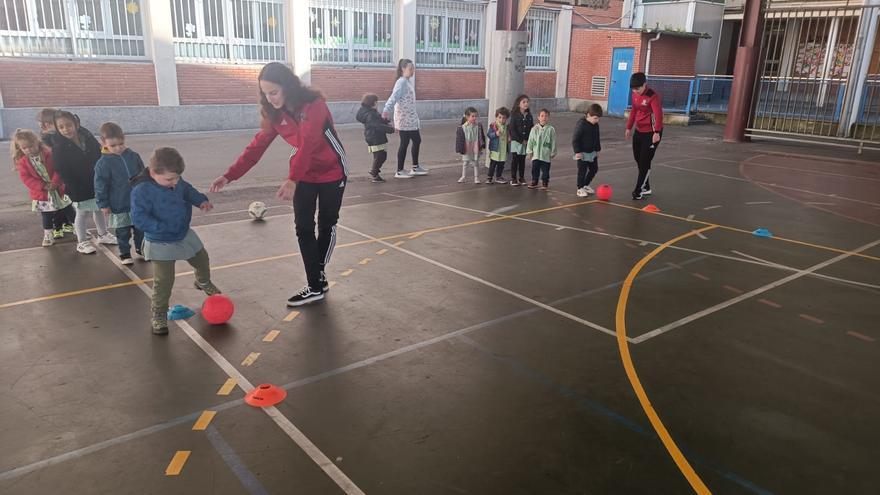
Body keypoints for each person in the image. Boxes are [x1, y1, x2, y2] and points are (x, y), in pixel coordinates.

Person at [211, 62, 348, 307]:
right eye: (265, 93)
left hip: (332, 171)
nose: (270, 98)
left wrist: (292, 179)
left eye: (273, 92)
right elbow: (256, 147)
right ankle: (316, 284)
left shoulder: (314, 105)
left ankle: (317, 276)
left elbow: (308, 144)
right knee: (303, 227)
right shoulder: (274, 114)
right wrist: (230, 175)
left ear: (288, 87)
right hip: (303, 174)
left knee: (327, 224)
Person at [131, 147, 220, 335]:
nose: (174, 182)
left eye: (177, 178)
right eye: (169, 179)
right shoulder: (142, 190)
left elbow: (187, 190)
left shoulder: (175, 180)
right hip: (160, 240)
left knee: (201, 258)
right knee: (164, 280)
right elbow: (139, 219)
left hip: (182, 233)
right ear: (153, 173)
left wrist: (201, 201)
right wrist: (161, 227)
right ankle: (159, 314)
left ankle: (202, 281)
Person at [51, 110, 117, 254]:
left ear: (76, 123)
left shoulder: (87, 136)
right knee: (81, 213)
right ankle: (82, 242)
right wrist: (73, 187)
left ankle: (103, 234)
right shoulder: (59, 147)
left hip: (96, 182)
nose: (65, 129)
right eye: (61, 127)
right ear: (57, 129)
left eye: (68, 125)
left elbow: (99, 153)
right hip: (78, 186)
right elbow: (61, 169)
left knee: (98, 208)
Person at [11, 129, 76, 247]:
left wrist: (55, 182)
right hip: (42, 194)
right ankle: (48, 235)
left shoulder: (49, 154)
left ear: (37, 142)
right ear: (20, 148)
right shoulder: (23, 162)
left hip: (58, 189)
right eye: (24, 148)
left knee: (68, 209)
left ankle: (78, 228)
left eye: (31, 146)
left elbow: (58, 168)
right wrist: (43, 186)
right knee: (46, 215)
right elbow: (27, 179)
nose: (28, 150)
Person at [94, 122, 145, 265]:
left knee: (140, 228)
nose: (118, 148)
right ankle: (125, 254)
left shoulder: (133, 156)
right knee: (123, 232)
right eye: (113, 145)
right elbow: (100, 185)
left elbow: (143, 175)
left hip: (137, 202)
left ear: (124, 138)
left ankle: (141, 249)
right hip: (118, 204)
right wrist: (103, 204)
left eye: (121, 144)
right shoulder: (103, 163)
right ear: (103, 143)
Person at [382, 59, 429, 179]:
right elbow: (394, 97)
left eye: (413, 68)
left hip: (411, 118)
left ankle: (415, 167)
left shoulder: (407, 82)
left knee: (416, 141)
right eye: (410, 69)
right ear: (403, 69)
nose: (412, 71)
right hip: (404, 119)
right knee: (405, 143)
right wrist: (386, 109)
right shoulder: (401, 82)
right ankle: (400, 170)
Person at [37, 107, 74, 238]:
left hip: (60, 174)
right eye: (57, 124)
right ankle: (58, 225)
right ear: (47, 125)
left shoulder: (53, 137)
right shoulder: (47, 139)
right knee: (58, 201)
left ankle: (65, 223)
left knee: (64, 200)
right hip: (55, 175)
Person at [625, 72, 663, 200]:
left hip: (652, 133)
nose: (635, 91)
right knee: (638, 159)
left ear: (644, 85)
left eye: (638, 88)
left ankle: (638, 190)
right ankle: (646, 187)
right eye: (633, 89)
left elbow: (658, 115)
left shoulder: (653, 96)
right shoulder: (635, 95)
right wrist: (629, 127)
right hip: (639, 131)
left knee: (645, 161)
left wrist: (657, 132)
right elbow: (634, 111)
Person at [356, 93, 395, 183]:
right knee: (381, 156)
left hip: (372, 136)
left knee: (378, 155)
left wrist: (385, 120)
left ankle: (375, 171)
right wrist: (391, 129)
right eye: (376, 102)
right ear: (372, 103)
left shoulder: (368, 112)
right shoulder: (371, 114)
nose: (378, 104)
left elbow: (377, 121)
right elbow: (377, 125)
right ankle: (374, 172)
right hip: (375, 137)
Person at [572, 104, 603, 197]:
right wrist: (577, 152)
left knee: (594, 169)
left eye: (598, 119)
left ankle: (585, 184)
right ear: (588, 115)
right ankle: (579, 188)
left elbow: (597, 138)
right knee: (582, 171)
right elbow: (575, 139)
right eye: (595, 118)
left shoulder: (596, 125)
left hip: (592, 152)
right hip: (582, 153)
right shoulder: (581, 124)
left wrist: (597, 150)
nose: (597, 120)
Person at [526, 109, 557, 190]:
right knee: (535, 169)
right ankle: (534, 181)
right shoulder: (534, 129)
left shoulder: (551, 129)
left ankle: (545, 182)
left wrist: (553, 152)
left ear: (548, 118)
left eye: (546, 116)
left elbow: (553, 141)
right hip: (536, 154)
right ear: (538, 117)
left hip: (545, 154)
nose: (544, 118)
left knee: (545, 170)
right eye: (542, 116)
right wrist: (530, 151)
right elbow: (530, 140)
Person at [454, 107, 486, 184]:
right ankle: (463, 176)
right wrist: (459, 148)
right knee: (465, 162)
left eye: (475, 116)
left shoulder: (478, 126)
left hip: (475, 146)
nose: (474, 118)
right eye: (472, 116)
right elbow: (459, 139)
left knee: (475, 162)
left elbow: (481, 136)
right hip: (467, 147)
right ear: (467, 117)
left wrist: (482, 145)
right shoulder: (462, 127)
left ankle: (476, 177)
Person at [508, 95, 534, 187]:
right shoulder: (515, 115)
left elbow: (531, 128)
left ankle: (521, 177)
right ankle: (513, 178)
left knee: (522, 161)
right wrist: (520, 140)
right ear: (518, 104)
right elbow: (512, 129)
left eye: (527, 102)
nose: (526, 103)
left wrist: (528, 140)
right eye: (523, 102)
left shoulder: (529, 116)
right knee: (515, 160)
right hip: (516, 142)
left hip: (525, 142)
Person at [486, 107, 510, 185]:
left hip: (503, 149)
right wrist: (495, 134)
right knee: (493, 163)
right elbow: (489, 135)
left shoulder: (507, 127)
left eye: (504, 118)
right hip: (495, 149)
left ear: (506, 118)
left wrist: (509, 137)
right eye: (499, 117)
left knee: (501, 164)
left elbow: (508, 135)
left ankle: (498, 177)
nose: (501, 119)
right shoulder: (493, 126)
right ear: (496, 117)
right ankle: (489, 177)